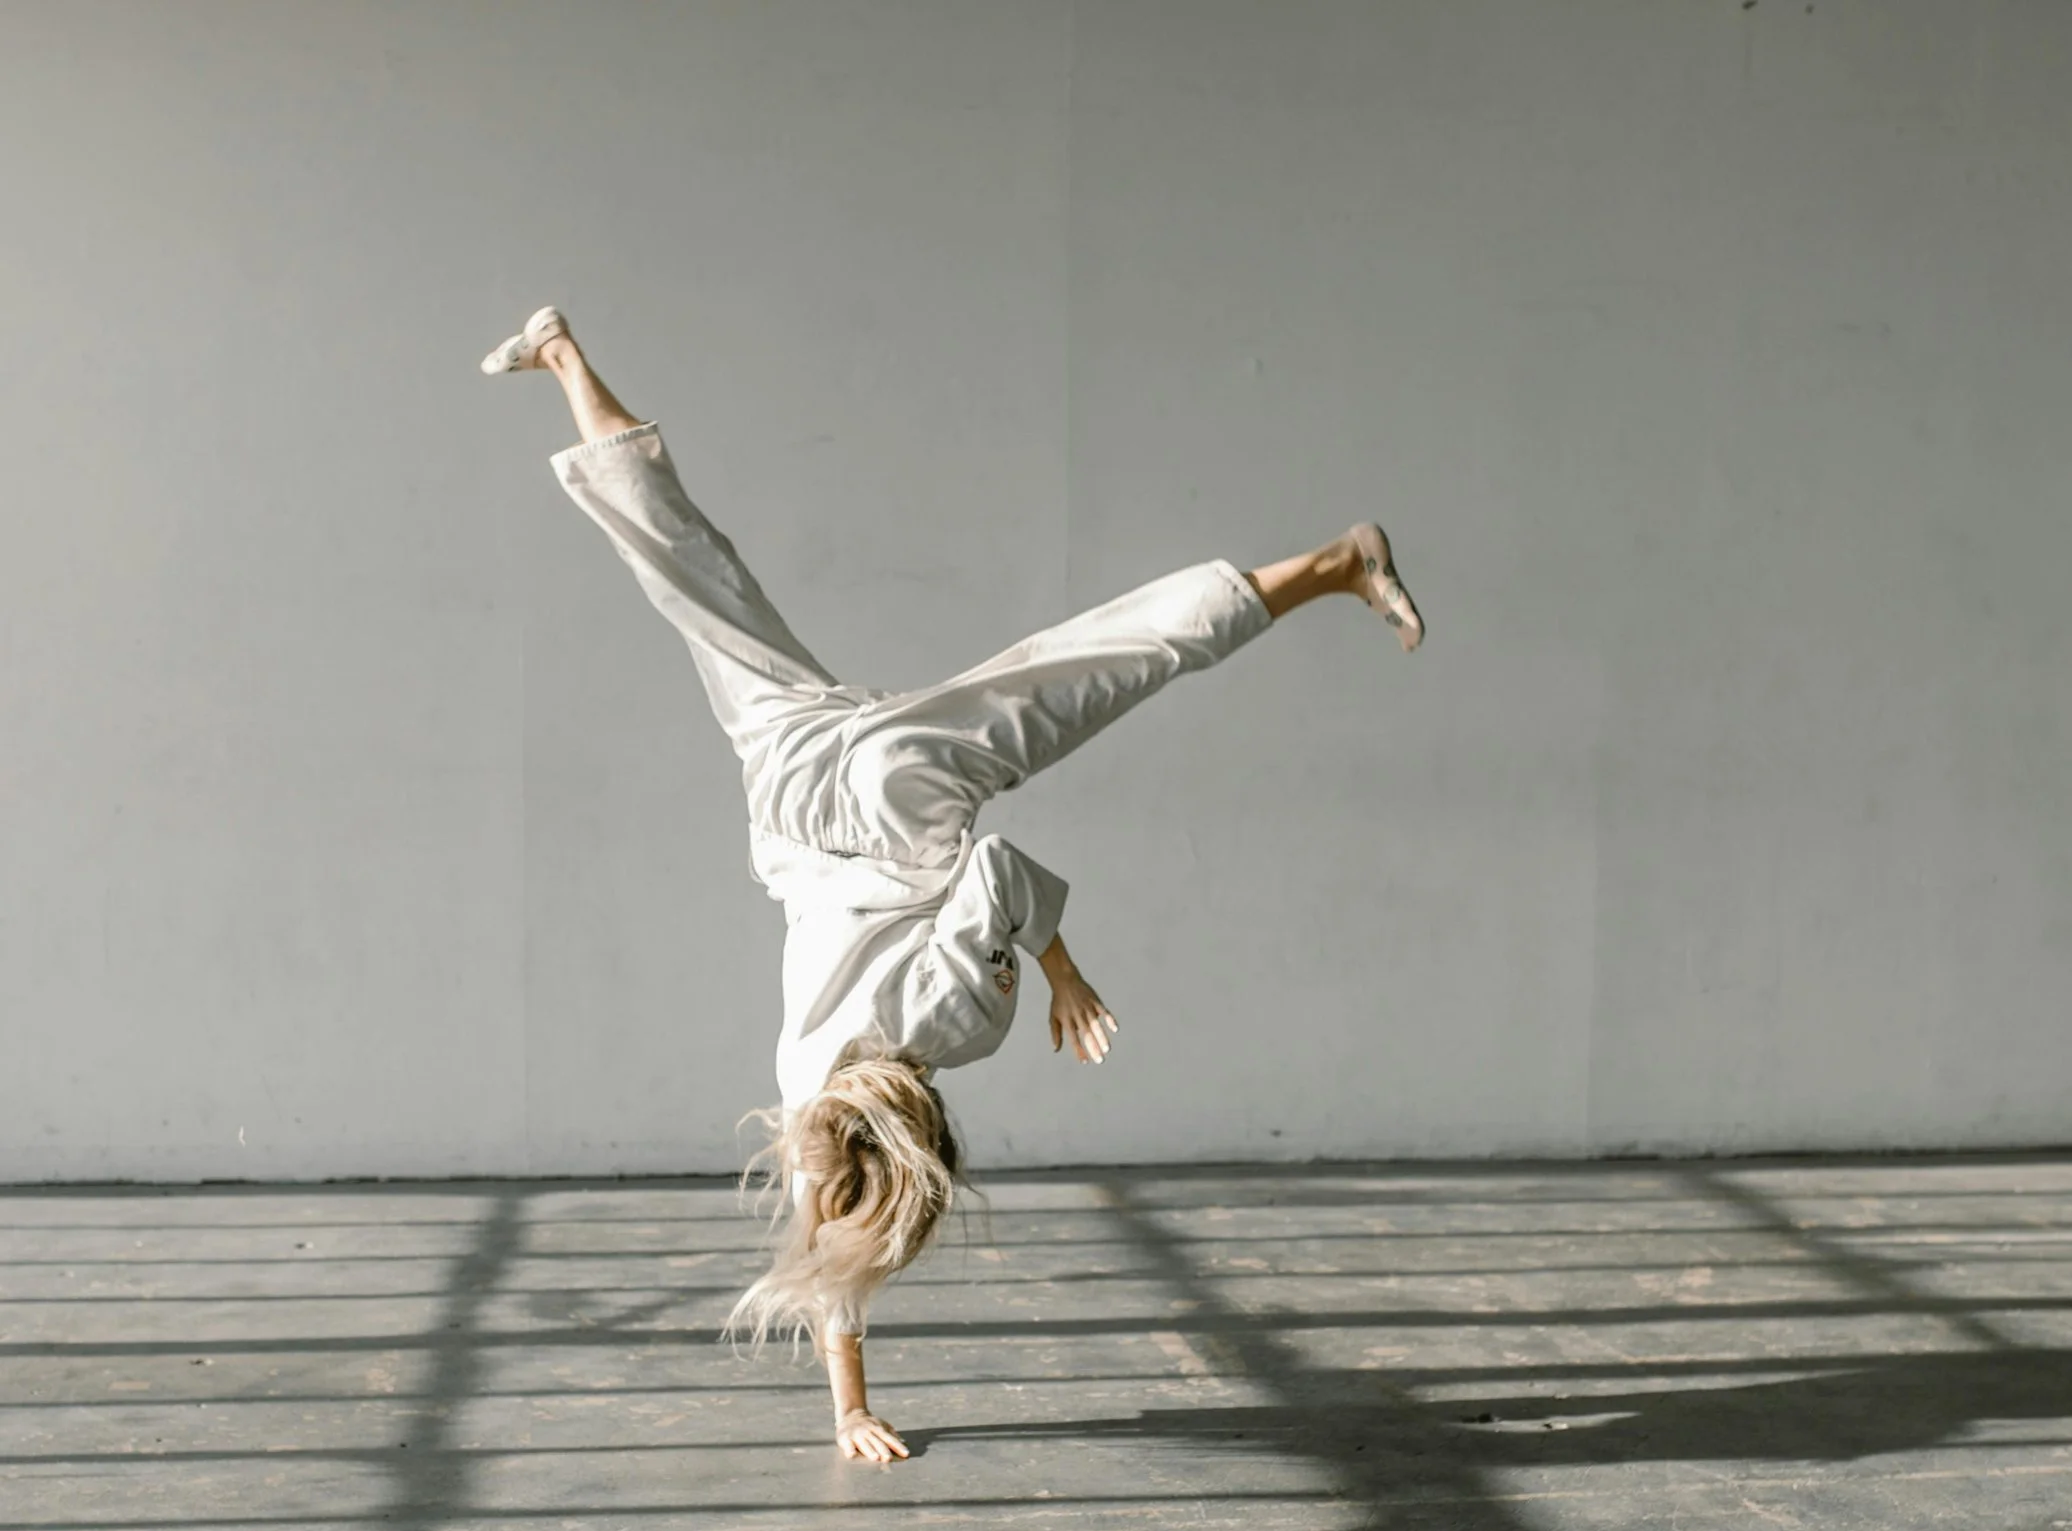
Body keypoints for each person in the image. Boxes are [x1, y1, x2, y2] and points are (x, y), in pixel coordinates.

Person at [483, 305, 1425, 1461]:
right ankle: (563, 354)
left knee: (1096, 664)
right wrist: (847, 1407)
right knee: (691, 571)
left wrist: (1064, 975)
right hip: (795, 787)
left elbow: (993, 868)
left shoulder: (943, 1028)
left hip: (887, 804)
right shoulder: (807, 1088)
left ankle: (1333, 564)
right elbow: (825, 1247)